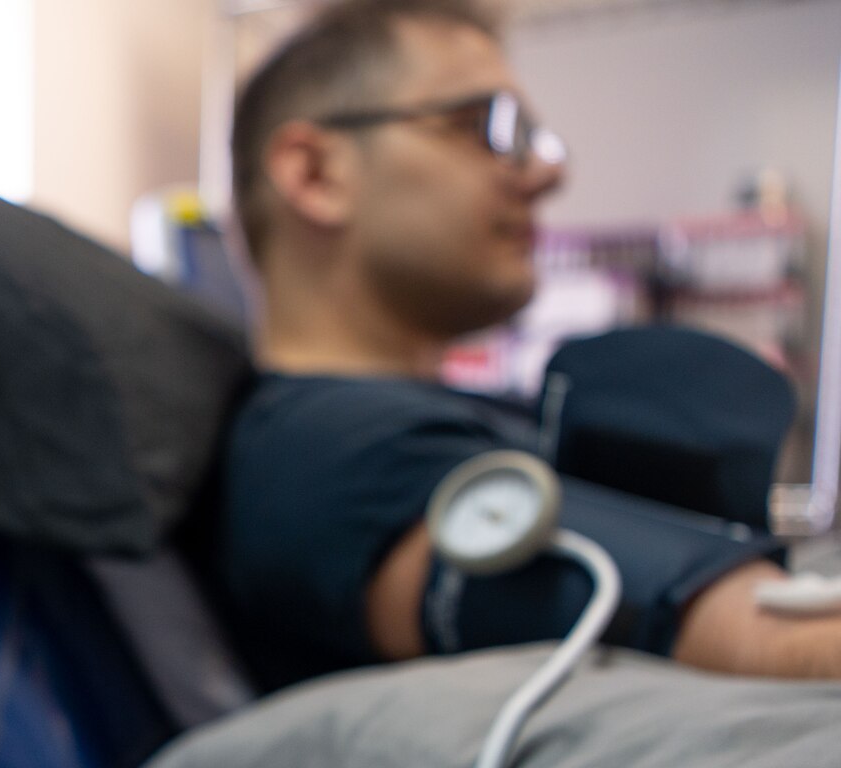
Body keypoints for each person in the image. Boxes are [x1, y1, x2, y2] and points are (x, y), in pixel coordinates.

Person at [213, 0, 829, 689]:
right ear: (315, 174)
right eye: (486, 127)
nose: (545, 174)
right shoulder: (323, 453)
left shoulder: (446, 419)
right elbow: (756, 639)